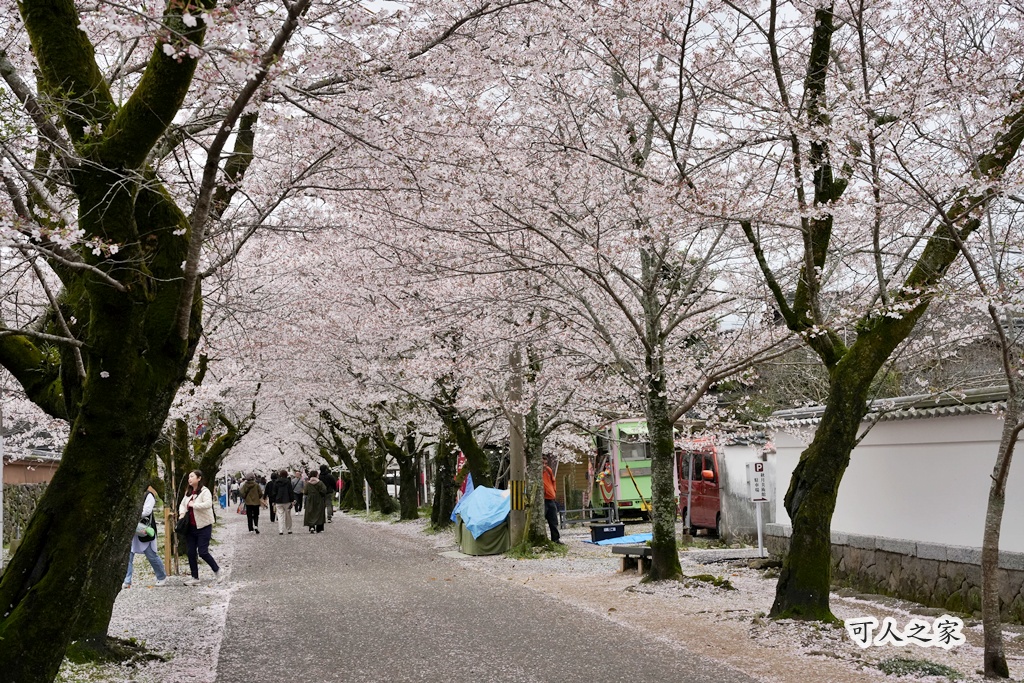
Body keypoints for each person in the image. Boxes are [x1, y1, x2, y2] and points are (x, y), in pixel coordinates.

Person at [177, 469, 223, 586]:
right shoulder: (188, 492)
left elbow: (208, 504)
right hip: (190, 527)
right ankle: (194, 577)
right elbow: (183, 504)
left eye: (192, 476)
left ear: (199, 478)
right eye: (189, 477)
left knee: (202, 552)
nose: (189, 479)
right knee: (191, 552)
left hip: (203, 526)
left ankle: (217, 570)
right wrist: (182, 513)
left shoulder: (204, 491)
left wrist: (194, 505)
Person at [123, 485, 168, 589]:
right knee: (128, 556)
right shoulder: (130, 494)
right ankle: (127, 580)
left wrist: (132, 514)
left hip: (143, 528)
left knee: (151, 554)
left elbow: (147, 511)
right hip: (131, 529)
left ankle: (161, 576)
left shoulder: (149, 495)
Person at [267, 469, 295, 534]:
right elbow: (290, 491)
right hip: (287, 500)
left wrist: (274, 500)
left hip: (278, 501)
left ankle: (281, 530)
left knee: (280, 515)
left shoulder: (276, 482)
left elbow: (274, 492)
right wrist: (292, 500)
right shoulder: (288, 482)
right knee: (288, 515)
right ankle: (289, 529)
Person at [543, 455, 562, 545]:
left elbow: (553, 481)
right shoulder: (537, 473)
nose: (544, 465)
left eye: (545, 463)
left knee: (554, 520)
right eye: (542, 463)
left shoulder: (548, 470)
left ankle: (555, 539)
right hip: (543, 499)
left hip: (551, 499)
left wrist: (554, 491)